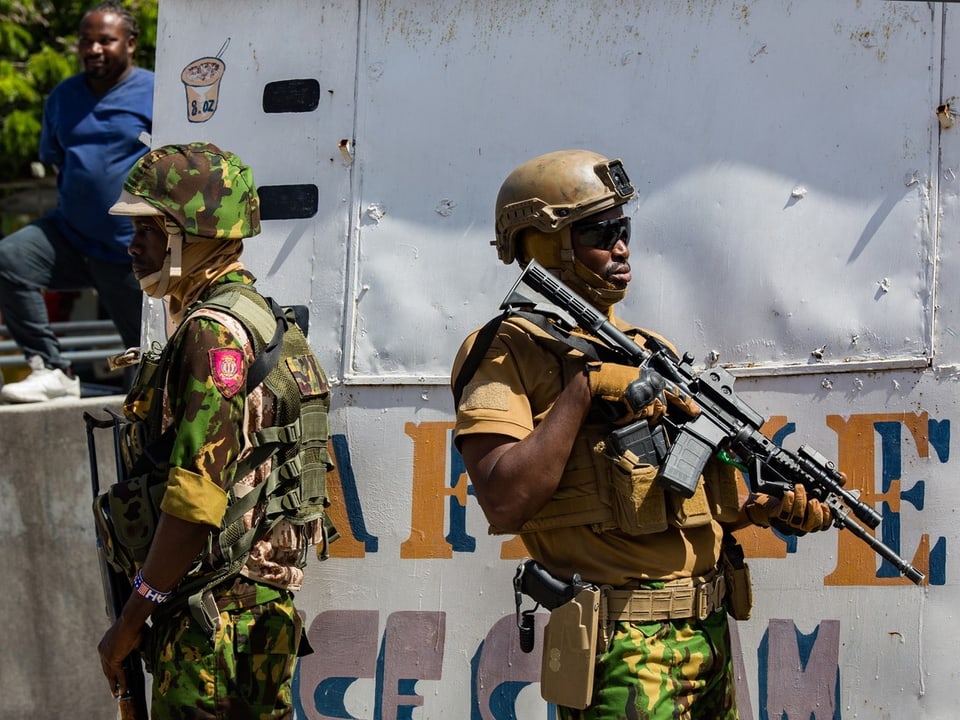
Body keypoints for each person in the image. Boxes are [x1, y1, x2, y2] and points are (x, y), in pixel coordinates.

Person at [451, 149, 836, 719]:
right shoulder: (509, 349)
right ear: (546, 242)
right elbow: (505, 500)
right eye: (600, 233)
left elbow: (695, 500)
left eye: (623, 229)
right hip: (622, 648)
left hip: (708, 633)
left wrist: (766, 508)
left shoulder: (652, 351)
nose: (621, 247)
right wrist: (585, 388)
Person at [95, 142, 334, 719]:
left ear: (187, 234)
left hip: (212, 621)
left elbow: (196, 497)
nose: (133, 247)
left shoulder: (214, 333)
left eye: (148, 231)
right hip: (251, 612)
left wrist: (133, 618)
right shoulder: (261, 317)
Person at [0, 1, 153, 403]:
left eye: (106, 40)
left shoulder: (156, 92)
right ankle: (51, 368)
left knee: (148, 362)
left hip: (129, 250)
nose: (94, 49)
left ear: (131, 43)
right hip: (70, 235)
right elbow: (57, 162)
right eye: (86, 41)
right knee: (11, 257)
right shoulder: (63, 98)